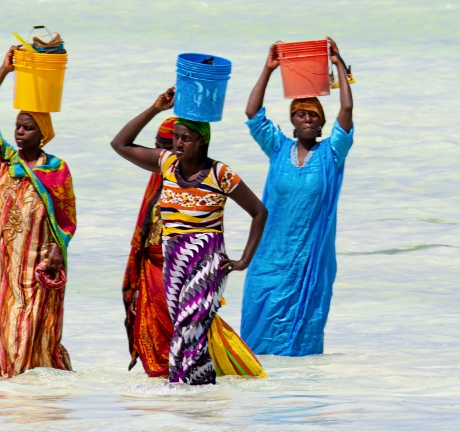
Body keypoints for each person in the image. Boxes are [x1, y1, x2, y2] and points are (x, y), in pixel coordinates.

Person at [111, 88, 269, 386]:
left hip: (207, 260)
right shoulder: (167, 164)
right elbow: (119, 144)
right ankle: (202, 403)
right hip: (174, 261)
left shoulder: (220, 173)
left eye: (186, 138)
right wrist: (155, 108)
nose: (178, 143)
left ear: (202, 141)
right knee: (189, 335)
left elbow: (259, 212)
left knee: (187, 329)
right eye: (176, 137)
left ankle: (177, 392)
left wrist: (244, 260)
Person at [236, 39, 356, 356]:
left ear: (321, 123)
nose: (307, 119)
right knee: (258, 319)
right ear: (292, 120)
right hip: (270, 256)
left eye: (313, 115)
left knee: (304, 338)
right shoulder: (277, 149)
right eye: (301, 114)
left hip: (310, 258)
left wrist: (338, 63)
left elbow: (346, 108)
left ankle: (299, 392)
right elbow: (252, 113)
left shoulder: (331, 153)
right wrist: (269, 68)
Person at [0, 47, 76, 379]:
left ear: (43, 133)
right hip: (7, 265)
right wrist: (4, 70)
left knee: (36, 331)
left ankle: (39, 395)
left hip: (41, 263)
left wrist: (59, 248)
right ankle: (14, 392)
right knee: (8, 330)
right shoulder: (4, 161)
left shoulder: (56, 169)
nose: (19, 132)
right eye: (17, 126)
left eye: (27, 128)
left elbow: (67, 219)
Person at [120, 118, 180, 378]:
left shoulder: (194, 180)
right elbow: (120, 144)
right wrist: (156, 109)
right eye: (155, 148)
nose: (155, 155)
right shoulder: (156, 181)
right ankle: (157, 412)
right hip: (151, 272)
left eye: (161, 149)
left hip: (180, 274)